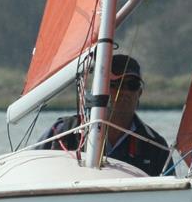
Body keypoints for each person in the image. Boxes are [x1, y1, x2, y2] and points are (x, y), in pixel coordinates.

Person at [37, 54, 170, 176]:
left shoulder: (156, 146)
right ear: (99, 89)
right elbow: (31, 168)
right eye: (114, 84)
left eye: (131, 85)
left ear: (139, 93)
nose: (123, 91)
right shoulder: (62, 132)